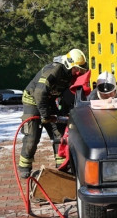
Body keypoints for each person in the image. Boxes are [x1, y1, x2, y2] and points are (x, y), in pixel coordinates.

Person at [18, 48, 88, 178]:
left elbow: (65, 96)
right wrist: (45, 116)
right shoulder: (55, 70)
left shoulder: (68, 75)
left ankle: (62, 167)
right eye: (76, 68)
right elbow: (39, 93)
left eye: (80, 69)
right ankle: (24, 167)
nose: (78, 72)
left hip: (48, 101)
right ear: (69, 63)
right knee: (32, 136)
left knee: (59, 133)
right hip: (33, 100)